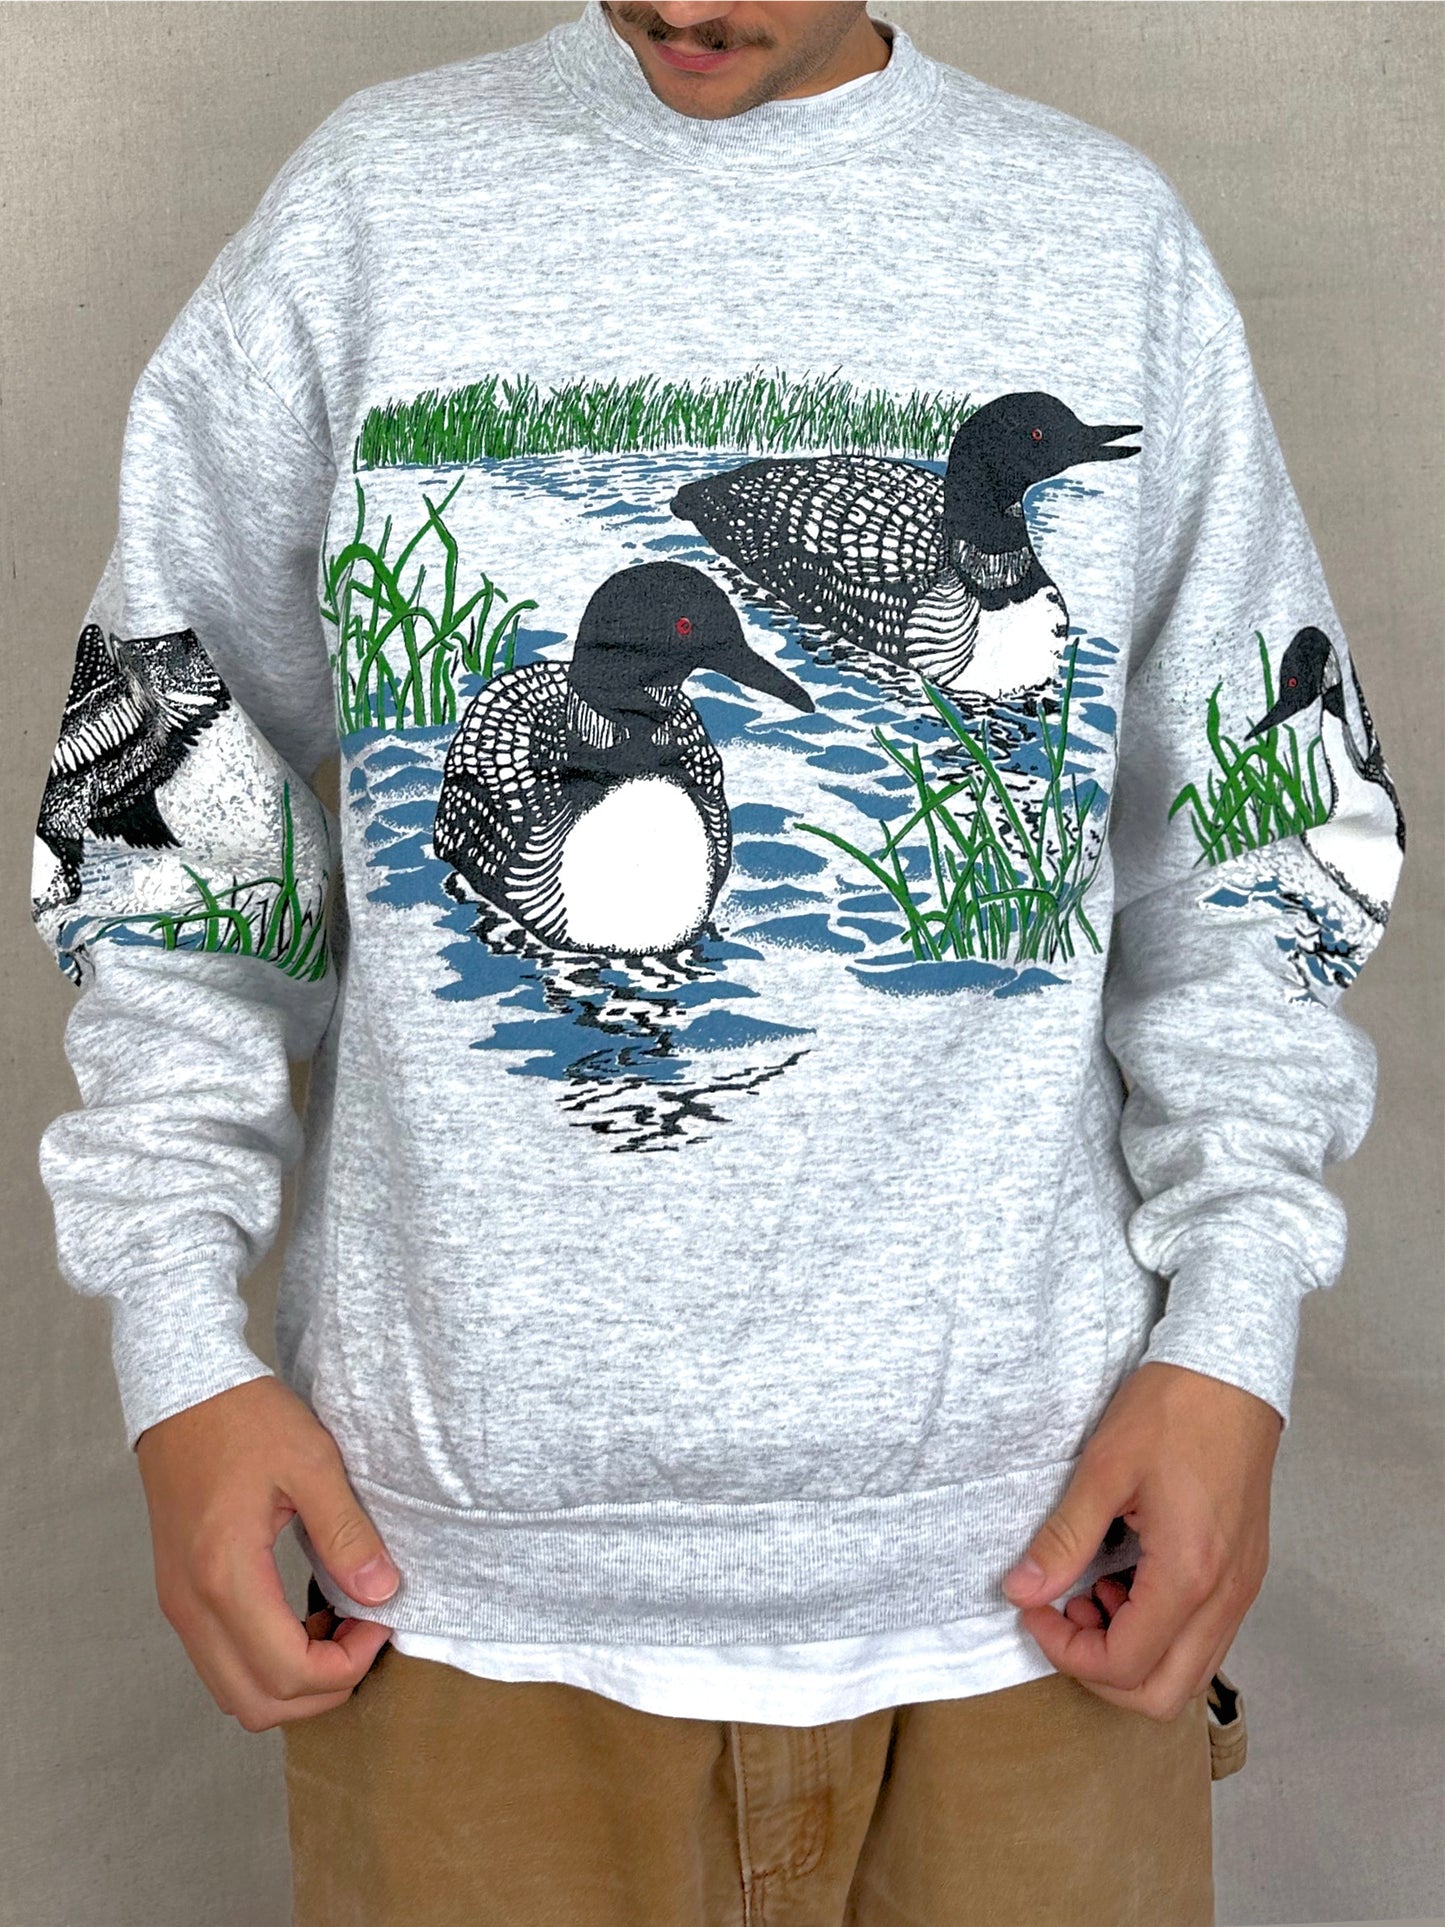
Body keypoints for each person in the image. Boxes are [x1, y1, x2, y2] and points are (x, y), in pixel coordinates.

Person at [31, 2, 1405, 1921]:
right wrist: (179, 1349)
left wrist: (1231, 1336)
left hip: (1035, 1573)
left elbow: (1263, 842)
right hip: (458, 1593)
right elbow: (167, 817)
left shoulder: (1097, 242)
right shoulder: (374, 213)